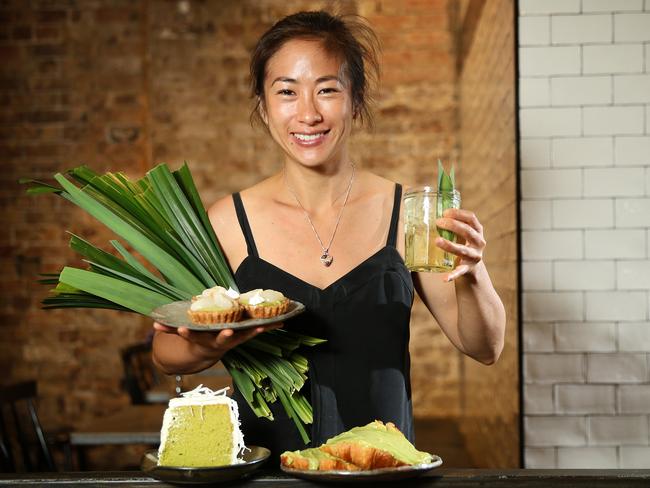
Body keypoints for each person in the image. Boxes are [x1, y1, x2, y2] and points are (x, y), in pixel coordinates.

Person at [152, 11, 506, 457]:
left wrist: (474, 272)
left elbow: (485, 346)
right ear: (263, 107)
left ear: (355, 101)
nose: (308, 113)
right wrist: (206, 347)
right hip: (265, 480)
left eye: (327, 90)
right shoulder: (227, 222)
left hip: (381, 471)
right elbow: (166, 353)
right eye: (286, 92)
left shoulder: (408, 214)